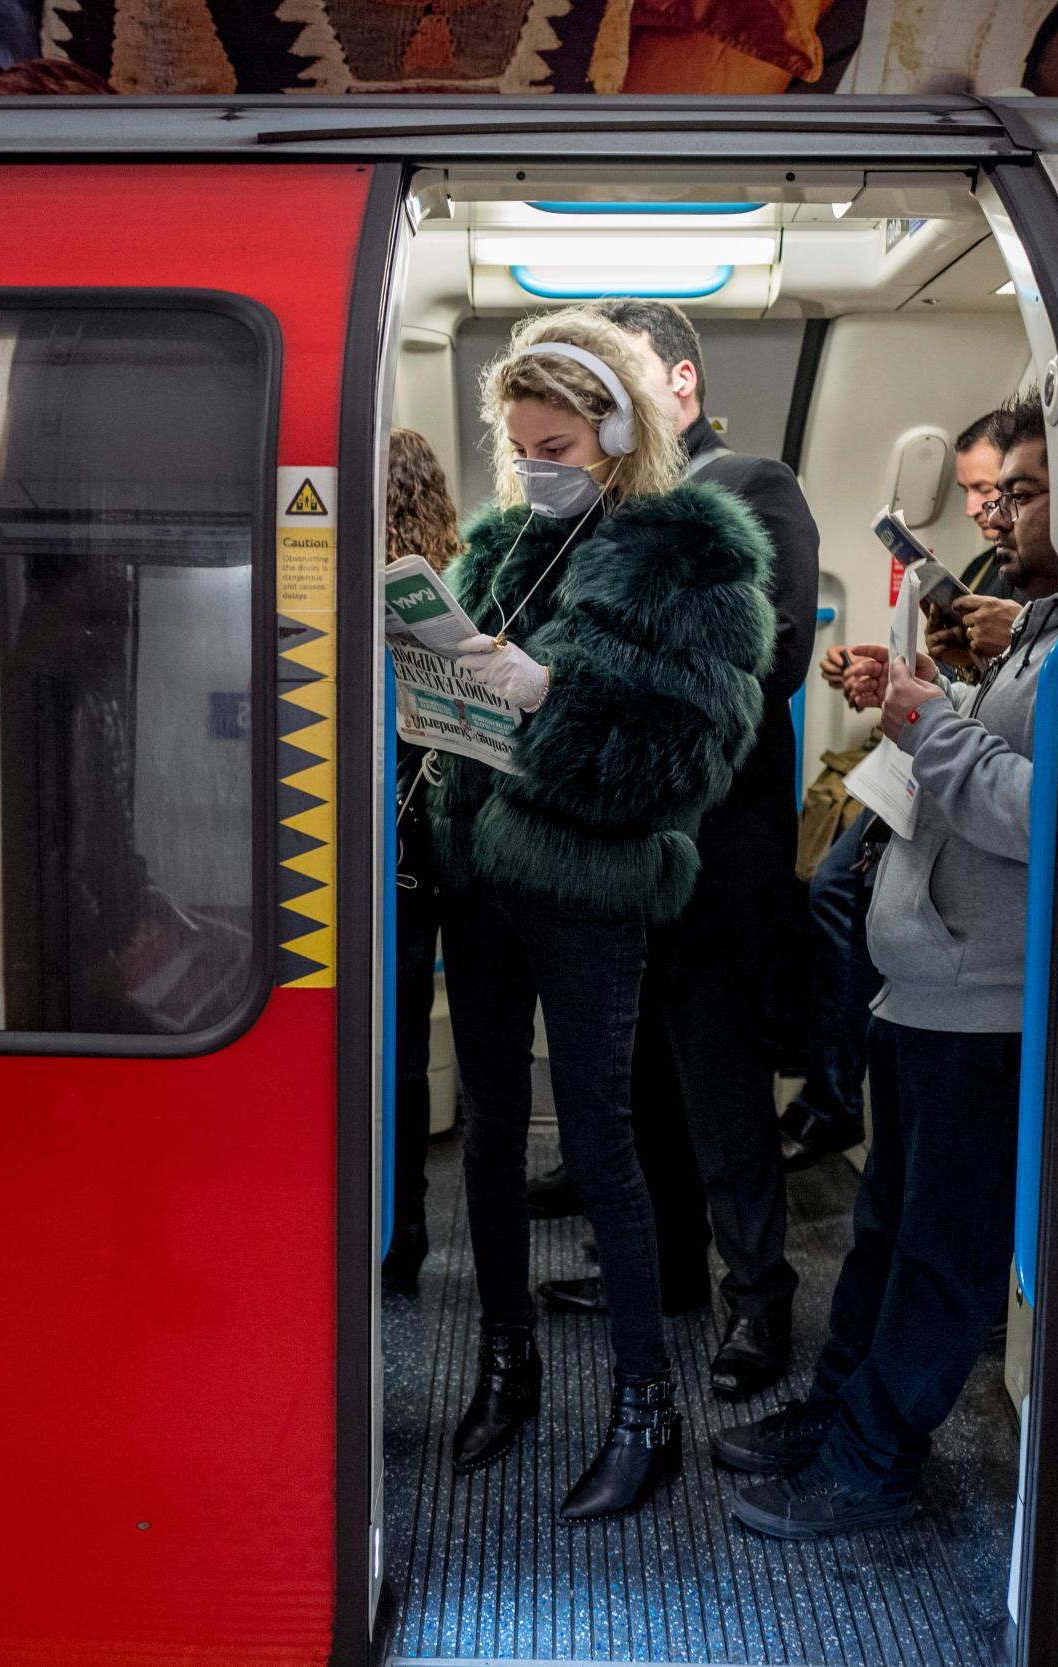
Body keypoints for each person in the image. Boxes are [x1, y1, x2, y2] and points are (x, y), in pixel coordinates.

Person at [431, 308, 775, 1521]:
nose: (535, 466)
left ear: (621, 437)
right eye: (519, 443)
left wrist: (547, 698)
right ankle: (504, 1359)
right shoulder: (498, 550)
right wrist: (446, 690)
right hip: (481, 881)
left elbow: (687, 760)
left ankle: (646, 1408)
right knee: (483, 1132)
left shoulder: (689, 560)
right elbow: (469, 731)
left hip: (588, 890)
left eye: (558, 445)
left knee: (601, 1141)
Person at [718, 392, 1058, 1539]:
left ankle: (872, 1461)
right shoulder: (1031, 624)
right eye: (991, 494)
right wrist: (922, 695)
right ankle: (837, 1411)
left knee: (943, 1250)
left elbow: (1044, 810)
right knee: (882, 1226)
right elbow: (983, 746)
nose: (998, 516)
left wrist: (927, 720)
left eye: (1021, 492)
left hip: (986, 988)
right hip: (925, 974)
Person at [524, 299, 817, 1401]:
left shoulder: (746, 487)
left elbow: (776, 653)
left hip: (717, 842)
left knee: (719, 1075)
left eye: (624, 375)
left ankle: (760, 1293)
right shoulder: (603, 512)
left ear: (676, 384)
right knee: (640, 1067)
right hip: (625, 843)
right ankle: (673, 1272)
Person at [782, 402, 1022, 1171]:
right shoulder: (989, 572)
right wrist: (886, 673)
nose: (986, 511)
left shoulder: (1042, 594)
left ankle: (833, 1097)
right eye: (978, 493)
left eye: (1001, 493)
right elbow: (963, 682)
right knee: (828, 890)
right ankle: (833, 1089)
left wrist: (988, 654)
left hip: (964, 768)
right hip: (932, 748)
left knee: (835, 893)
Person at [382, 428, 463, 1296]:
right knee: (405, 1034)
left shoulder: (346, 593)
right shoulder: (454, 587)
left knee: (380, 1039)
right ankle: (404, 1233)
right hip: (432, 841)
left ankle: (388, 1227)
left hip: (383, 837)